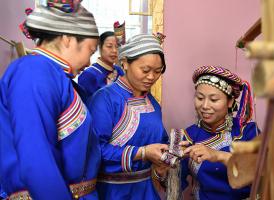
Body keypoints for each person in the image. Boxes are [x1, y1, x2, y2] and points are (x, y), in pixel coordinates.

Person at [0, 1, 101, 199]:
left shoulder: (57, 78)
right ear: (67, 39)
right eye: (90, 50)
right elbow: (36, 161)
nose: (89, 62)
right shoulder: (34, 72)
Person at [88, 34, 169, 200]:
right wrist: (142, 153)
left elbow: (161, 141)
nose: (152, 77)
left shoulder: (153, 103)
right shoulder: (104, 99)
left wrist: (171, 150)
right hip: (112, 192)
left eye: (158, 71)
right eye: (145, 70)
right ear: (124, 63)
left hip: (146, 191)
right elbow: (95, 150)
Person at [181, 65, 260, 200]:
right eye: (200, 98)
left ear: (230, 102)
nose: (205, 106)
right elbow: (174, 183)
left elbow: (261, 174)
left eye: (214, 100)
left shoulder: (246, 131)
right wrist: (162, 169)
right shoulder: (188, 136)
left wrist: (219, 156)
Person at [78, 31, 124, 97]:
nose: (114, 50)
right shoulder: (88, 75)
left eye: (117, 47)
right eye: (109, 46)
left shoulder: (119, 71)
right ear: (100, 48)